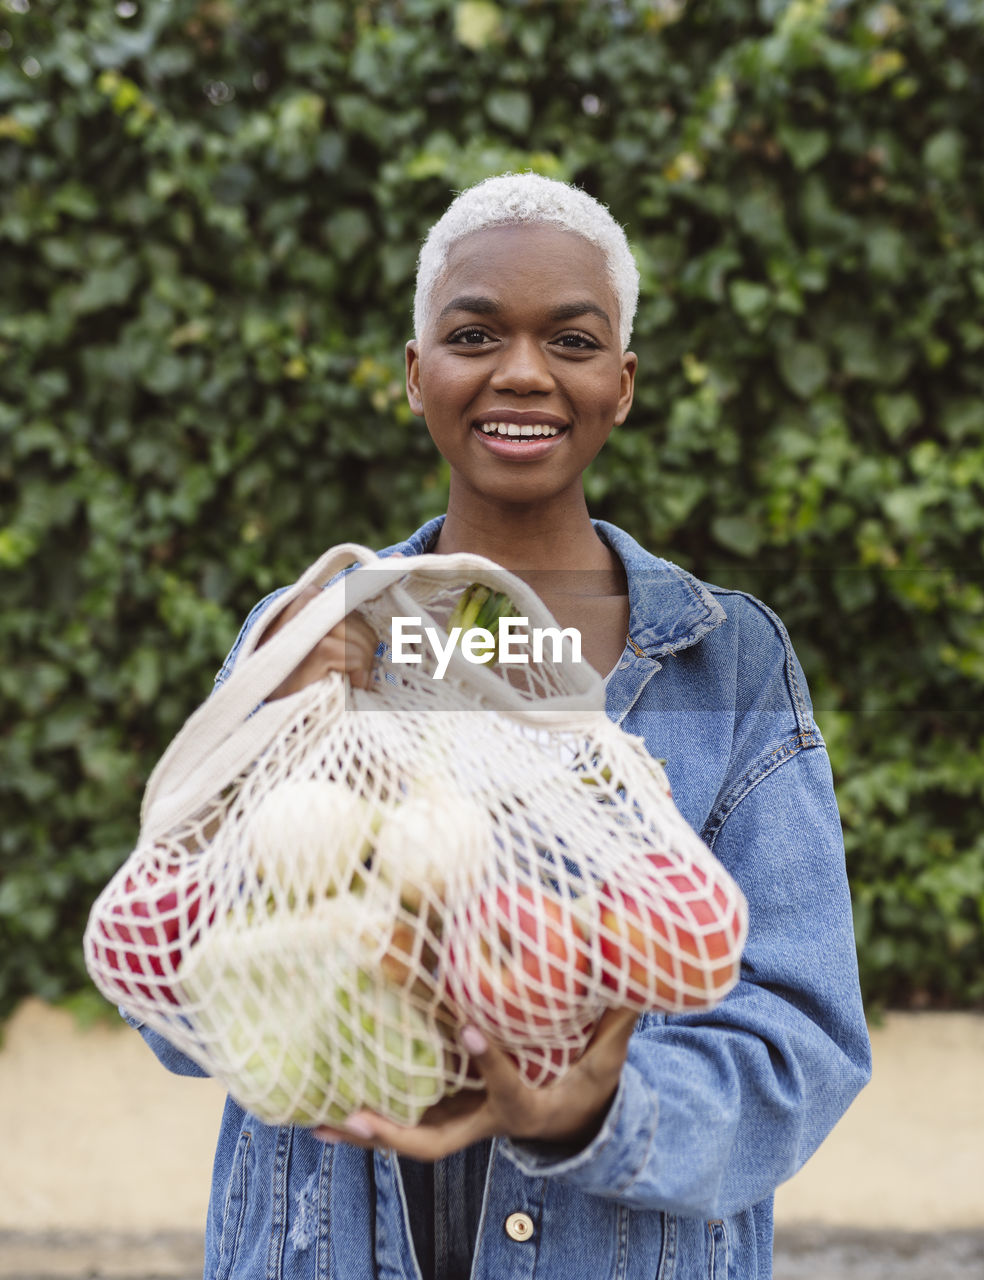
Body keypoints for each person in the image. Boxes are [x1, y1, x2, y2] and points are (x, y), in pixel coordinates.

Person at [126, 172, 871, 1279]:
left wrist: (594, 1109)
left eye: (570, 340)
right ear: (415, 372)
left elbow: (802, 1041)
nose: (521, 371)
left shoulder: (724, 660)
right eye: (474, 333)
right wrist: (258, 749)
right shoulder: (308, 635)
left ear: (621, 383)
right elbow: (171, 994)